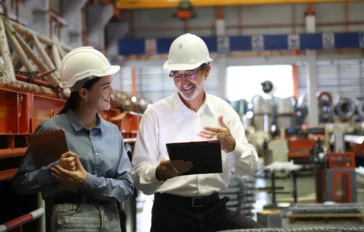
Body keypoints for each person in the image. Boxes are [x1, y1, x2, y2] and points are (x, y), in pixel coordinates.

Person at [132, 33, 264, 232]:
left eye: (190, 73)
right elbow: (138, 175)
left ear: (207, 70)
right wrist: (158, 172)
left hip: (214, 211)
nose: (184, 82)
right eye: (177, 75)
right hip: (170, 213)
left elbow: (249, 168)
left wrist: (233, 147)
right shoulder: (155, 115)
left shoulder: (224, 111)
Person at [12, 46, 134, 232]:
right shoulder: (52, 129)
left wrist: (85, 181)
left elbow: (126, 187)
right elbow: (22, 183)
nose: (112, 91)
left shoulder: (112, 133)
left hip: (111, 219)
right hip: (72, 219)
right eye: (105, 86)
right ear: (84, 93)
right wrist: (54, 169)